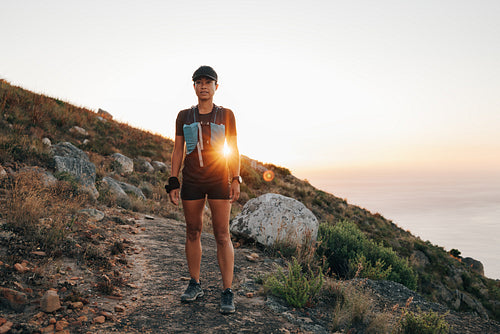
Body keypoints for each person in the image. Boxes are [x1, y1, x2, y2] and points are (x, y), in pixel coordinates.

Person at [165, 65, 241, 315]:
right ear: (194, 86)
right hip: (193, 180)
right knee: (193, 231)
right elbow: (178, 150)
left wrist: (235, 178)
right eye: (199, 82)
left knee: (222, 235)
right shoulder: (183, 116)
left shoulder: (226, 115)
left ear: (216, 87)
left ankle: (227, 291)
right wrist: (173, 180)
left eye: (209, 82)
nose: (204, 86)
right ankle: (195, 283)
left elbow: (233, 149)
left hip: (219, 179)